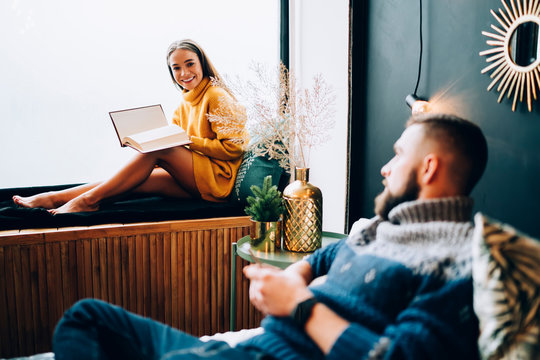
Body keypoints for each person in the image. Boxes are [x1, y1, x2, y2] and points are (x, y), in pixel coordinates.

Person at [52, 113, 488, 359]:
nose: (385, 169)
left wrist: (298, 307)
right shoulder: (376, 229)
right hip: (255, 344)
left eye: (397, 156)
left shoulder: (458, 261)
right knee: (86, 317)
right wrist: (292, 278)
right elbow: (318, 261)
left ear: (429, 168)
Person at [12, 39, 247, 214]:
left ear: (202, 63)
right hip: (194, 178)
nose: (184, 73)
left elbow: (234, 148)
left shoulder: (216, 95)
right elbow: (177, 141)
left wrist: (185, 141)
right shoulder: (185, 101)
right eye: (176, 68)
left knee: (157, 149)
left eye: (189, 64)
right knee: (133, 180)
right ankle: (56, 198)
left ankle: (88, 201)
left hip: (219, 180)